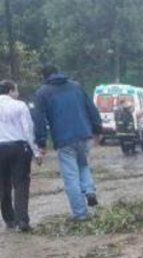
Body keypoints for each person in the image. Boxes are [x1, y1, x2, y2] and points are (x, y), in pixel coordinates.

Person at [33, 64, 102, 221]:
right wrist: (97, 129)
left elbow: (39, 119)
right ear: (58, 72)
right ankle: (89, 190)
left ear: (43, 76)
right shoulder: (76, 86)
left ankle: (80, 214)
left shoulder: (42, 92)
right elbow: (91, 108)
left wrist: (41, 141)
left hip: (64, 139)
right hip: (84, 134)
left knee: (71, 177)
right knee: (83, 165)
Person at [0, 80, 40, 232]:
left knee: (3, 185)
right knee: (21, 183)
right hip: (18, 147)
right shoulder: (20, 105)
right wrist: (36, 152)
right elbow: (28, 129)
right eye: (16, 90)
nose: (17, 93)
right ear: (10, 91)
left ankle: (9, 219)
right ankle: (22, 220)